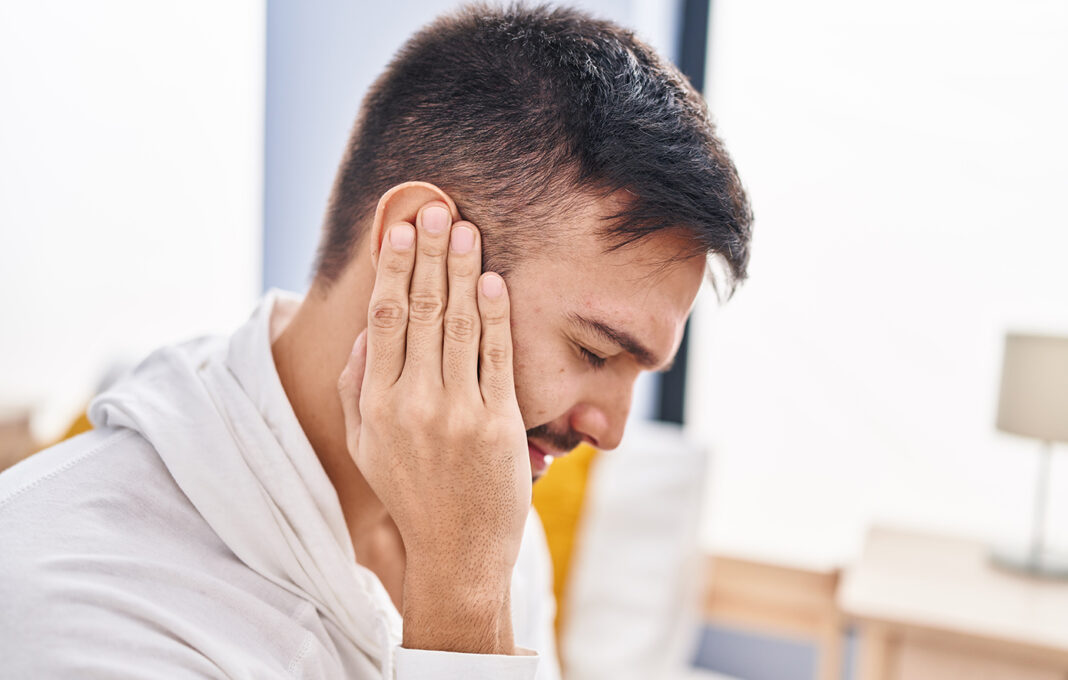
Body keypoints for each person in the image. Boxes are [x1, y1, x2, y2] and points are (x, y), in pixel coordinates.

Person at [0, 3, 751, 679]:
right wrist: (461, 607)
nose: (611, 431)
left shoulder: (488, 511)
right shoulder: (78, 601)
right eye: (594, 351)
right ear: (417, 242)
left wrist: (467, 576)